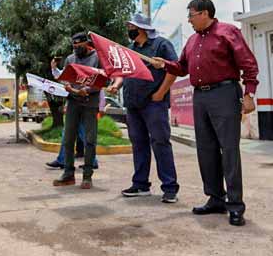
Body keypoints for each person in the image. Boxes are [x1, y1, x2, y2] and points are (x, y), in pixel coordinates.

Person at [150, 0, 258, 226]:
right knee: (206, 149)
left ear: (204, 13)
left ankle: (236, 205)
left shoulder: (228, 32)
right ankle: (215, 198)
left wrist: (249, 93)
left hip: (225, 93)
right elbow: (181, 68)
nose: (188, 20)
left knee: (229, 149)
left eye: (191, 15)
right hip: (200, 95)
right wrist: (164, 65)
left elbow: (247, 62)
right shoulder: (191, 41)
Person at [106, 14, 180, 204]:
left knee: (160, 142)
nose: (128, 30)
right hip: (133, 105)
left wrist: (160, 93)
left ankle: (170, 187)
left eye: (130, 26)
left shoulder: (161, 45)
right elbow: (124, 73)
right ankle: (141, 184)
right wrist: (117, 84)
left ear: (141, 28)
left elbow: (174, 70)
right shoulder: (130, 50)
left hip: (154, 104)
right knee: (138, 144)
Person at [51, 32, 102, 189]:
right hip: (73, 102)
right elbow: (67, 78)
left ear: (86, 43)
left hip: (89, 102)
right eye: (73, 46)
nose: (76, 49)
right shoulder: (70, 59)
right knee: (67, 139)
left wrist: (85, 90)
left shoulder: (97, 58)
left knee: (89, 140)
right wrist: (69, 87)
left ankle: (87, 176)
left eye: (79, 46)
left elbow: (101, 81)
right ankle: (68, 174)